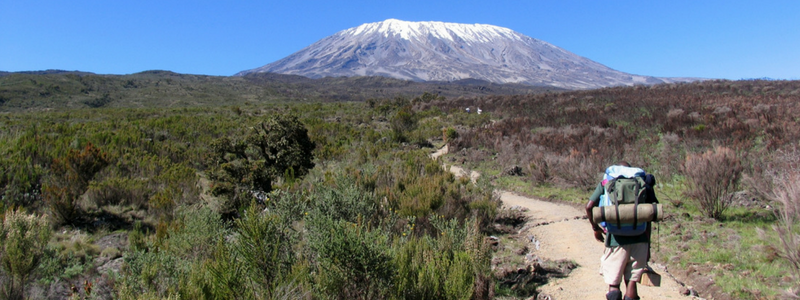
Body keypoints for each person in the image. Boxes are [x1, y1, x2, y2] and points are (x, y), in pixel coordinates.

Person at [585, 161, 658, 300]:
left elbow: (589, 207)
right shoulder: (642, 184)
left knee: (613, 283)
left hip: (615, 240)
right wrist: (647, 246)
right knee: (631, 282)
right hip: (640, 239)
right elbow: (649, 216)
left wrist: (596, 228)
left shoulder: (607, 182)